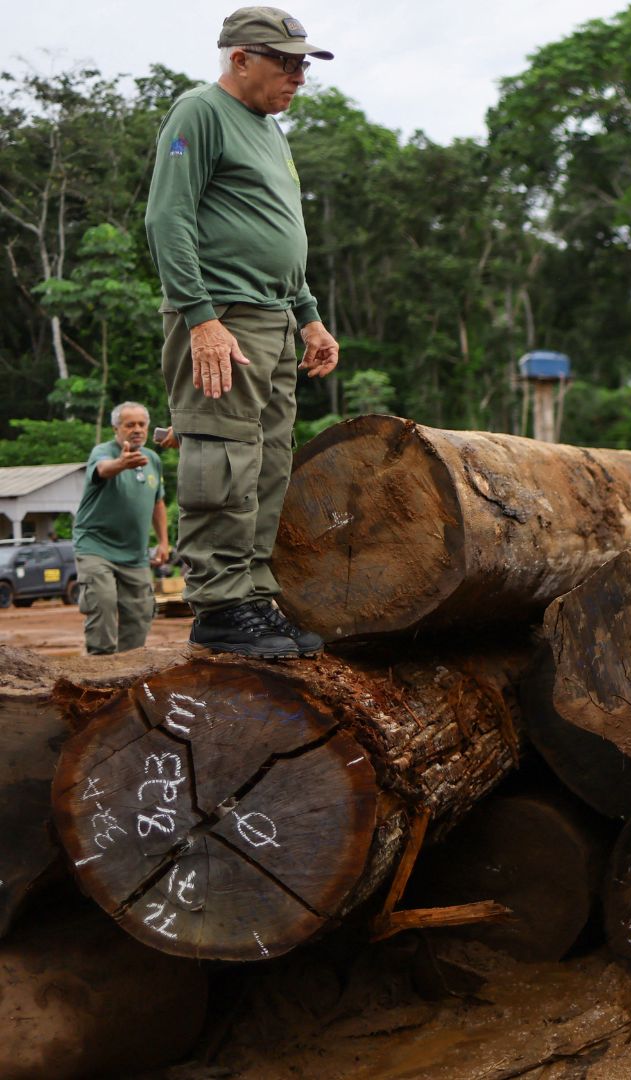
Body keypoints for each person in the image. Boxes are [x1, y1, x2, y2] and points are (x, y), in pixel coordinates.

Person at [143, 5, 339, 659]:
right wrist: (201, 320)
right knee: (222, 457)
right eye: (287, 64)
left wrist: (308, 315)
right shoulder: (198, 112)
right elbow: (167, 218)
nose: (299, 78)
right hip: (222, 317)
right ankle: (221, 605)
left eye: (303, 65)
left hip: (274, 320)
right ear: (241, 59)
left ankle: (253, 597)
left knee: (266, 464)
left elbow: (278, 234)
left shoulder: (270, 133)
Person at [73, 403, 171, 654]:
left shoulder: (153, 459)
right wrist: (121, 463)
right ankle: (100, 666)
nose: (137, 429)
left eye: (141, 424)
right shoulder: (103, 451)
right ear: (116, 428)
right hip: (96, 547)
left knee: (140, 613)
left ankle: (128, 668)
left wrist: (163, 542)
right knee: (102, 601)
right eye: (130, 425)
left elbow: (158, 502)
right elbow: (103, 469)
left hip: (135, 553)